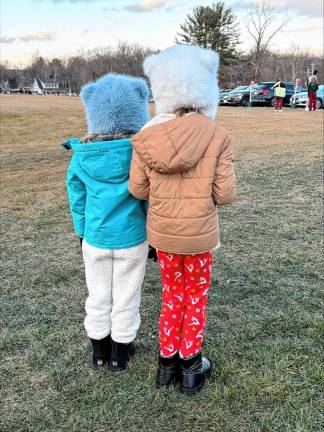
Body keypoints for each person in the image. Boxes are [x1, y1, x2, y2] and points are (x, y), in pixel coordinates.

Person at [128, 45, 236, 395]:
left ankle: (166, 364)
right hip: (200, 235)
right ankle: (190, 366)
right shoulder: (217, 135)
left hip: (164, 235)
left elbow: (138, 189)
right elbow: (225, 195)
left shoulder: (145, 138)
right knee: (196, 296)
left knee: (172, 294)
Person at [62, 74, 150, 371]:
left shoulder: (81, 156)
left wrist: (81, 231)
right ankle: (120, 354)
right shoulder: (142, 153)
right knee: (127, 296)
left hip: (95, 238)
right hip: (133, 238)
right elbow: (150, 197)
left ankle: (99, 352)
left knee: (98, 294)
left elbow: (77, 198)